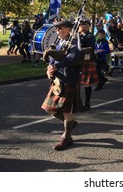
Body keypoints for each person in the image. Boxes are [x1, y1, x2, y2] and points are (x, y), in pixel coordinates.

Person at [41, 20, 82, 150]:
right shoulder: (60, 42)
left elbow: (73, 57)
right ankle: (71, 123)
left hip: (69, 79)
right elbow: (54, 57)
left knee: (66, 111)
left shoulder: (74, 41)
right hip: (58, 80)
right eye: (57, 29)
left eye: (60, 28)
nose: (57, 31)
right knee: (49, 108)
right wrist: (49, 68)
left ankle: (66, 137)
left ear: (68, 29)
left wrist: (56, 66)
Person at [79, 19, 99, 111]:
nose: (82, 26)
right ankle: (77, 103)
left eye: (84, 25)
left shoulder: (90, 36)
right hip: (77, 61)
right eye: (81, 24)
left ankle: (87, 103)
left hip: (86, 60)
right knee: (76, 83)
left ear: (88, 26)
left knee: (87, 83)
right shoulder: (77, 35)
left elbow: (89, 48)